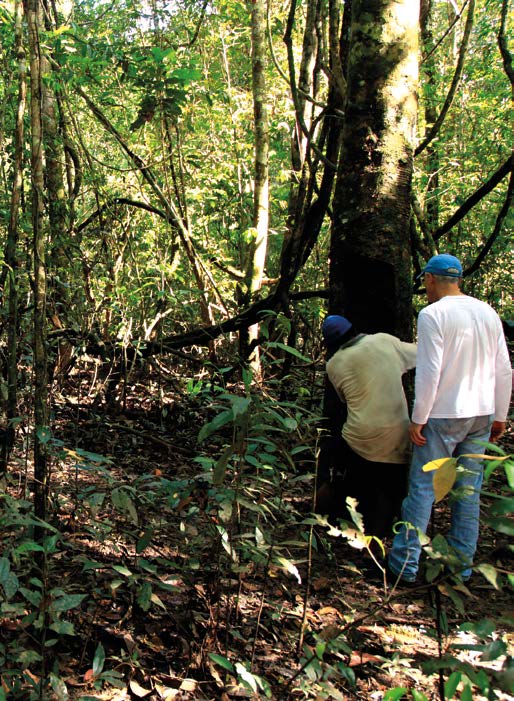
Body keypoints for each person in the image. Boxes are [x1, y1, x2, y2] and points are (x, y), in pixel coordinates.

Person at [388, 253, 512, 583]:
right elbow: (503, 367)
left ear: (430, 279)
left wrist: (418, 417)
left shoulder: (432, 314)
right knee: (468, 491)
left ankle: (404, 566)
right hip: (481, 412)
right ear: (457, 280)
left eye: (425, 282)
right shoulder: (487, 311)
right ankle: (461, 568)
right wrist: (500, 414)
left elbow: (430, 370)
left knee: (423, 489)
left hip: (443, 413)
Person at [317, 315, 417, 536]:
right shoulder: (384, 341)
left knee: (345, 468)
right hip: (399, 434)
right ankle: (385, 527)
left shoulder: (334, 364)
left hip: (360, 438)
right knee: (391, 484)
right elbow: (421, 355)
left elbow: (344, 399)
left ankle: (342, 516)